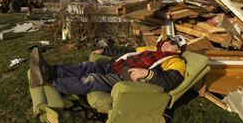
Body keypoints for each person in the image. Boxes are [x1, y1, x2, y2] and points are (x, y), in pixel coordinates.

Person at [29, 35, 187, 95]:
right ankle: (49, 70)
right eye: (168, 40)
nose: (167, 43)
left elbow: (171, 81)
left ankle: (50, 82)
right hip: (115, 67)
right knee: (86, 66)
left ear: (178, 50)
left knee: (92, 79)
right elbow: (127, 50)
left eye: (172, 43)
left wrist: (147, 74)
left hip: (127, 78)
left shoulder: (176, 61)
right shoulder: (151, 49)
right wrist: (105, 49)